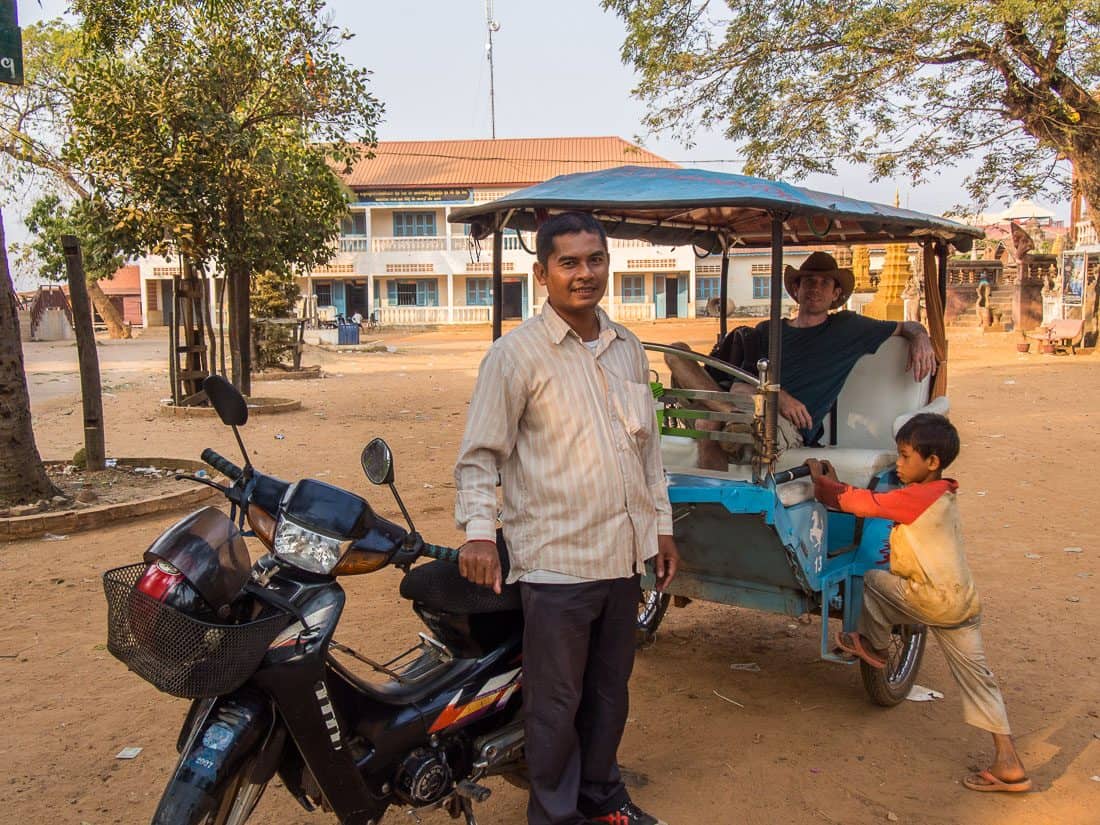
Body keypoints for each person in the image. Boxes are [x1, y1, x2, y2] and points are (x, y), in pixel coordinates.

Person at [453, 211, 680, 825]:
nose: (585, 274)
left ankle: (602, 796)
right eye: (569, 263)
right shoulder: (515, 356)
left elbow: (648, 450)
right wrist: (478, 532)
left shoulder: (628, 347)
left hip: (621, 555)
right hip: (556, 560)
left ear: (608, 263)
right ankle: (555, 815)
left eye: (595, 260)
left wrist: (661, 527)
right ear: (542, 273)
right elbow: (480, 456)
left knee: (609, 695)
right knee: (555, 703)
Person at [807, 413, 1031, 794]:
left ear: (933, 462)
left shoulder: (918, 498)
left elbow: (863, 503)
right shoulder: (942, 492)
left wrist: (821, 483)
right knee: (979, 681)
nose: (899, 462)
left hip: (932, 599)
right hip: (962, 602)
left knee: (875, 582)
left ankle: (873, 646)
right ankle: (1008, 762)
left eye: (906, 456)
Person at [665, 251, 937, 469]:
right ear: (796, 289)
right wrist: (779, 395)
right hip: (745, 407)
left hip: (787, 426)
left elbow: (906, 326)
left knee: (707, 423)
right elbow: (739, 387)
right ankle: (729, 421)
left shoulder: (848, 328)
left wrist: (921, 337)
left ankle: (717, 509)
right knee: (676, 351)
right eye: (809, 281)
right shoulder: (768, 331)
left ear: (836, 294)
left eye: (824, 283)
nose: (815, 288)